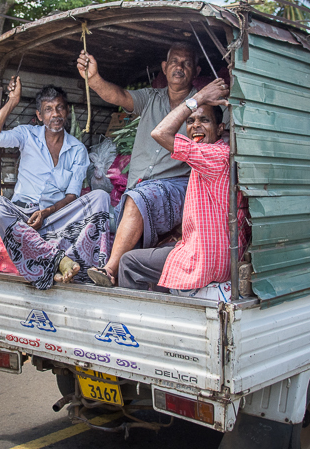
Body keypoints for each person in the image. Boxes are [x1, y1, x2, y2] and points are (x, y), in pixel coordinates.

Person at [76, 42, 217, 286]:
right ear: (164, 67)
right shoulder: (150, 98)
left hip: (176, 187)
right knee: (104, 213)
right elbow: (118, 95)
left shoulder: (201, 107)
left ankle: (109, 269)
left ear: (196, 70)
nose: (179, 67)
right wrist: (94, 78)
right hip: (138, 189)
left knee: (139, 197)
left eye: (186, 63)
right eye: (174, 61)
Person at [116, 78, 249, 294]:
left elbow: (159, 133)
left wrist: (197, 98)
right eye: (191, 121)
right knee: (161, 256)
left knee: (129, 262)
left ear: (220, 128)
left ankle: (136, 323)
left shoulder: (213, 154)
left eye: (204, 120)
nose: (195, 125)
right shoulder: (216, 155)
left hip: (205, 258)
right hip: (218, 253)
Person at [0, 77, 113, 290]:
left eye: (60, 108)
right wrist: (12, 102)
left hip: (55, 217)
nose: (55, 114)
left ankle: (96, 267)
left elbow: (72, 196)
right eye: (49, 109)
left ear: (67, 111)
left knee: (101, 197)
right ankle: (58, 260)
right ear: (39, 115)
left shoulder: (77, 149)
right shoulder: (26, 135)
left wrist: (46, 212)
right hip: (23, 217)